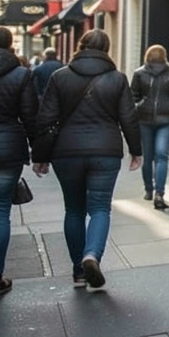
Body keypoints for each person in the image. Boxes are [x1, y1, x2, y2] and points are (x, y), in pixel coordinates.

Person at [32, 30, 142, 290]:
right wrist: (136, 150)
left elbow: (45, 119)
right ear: (107, 48)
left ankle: (79, 271)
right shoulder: (117, 79)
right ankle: (92, 255)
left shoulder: (60, 77)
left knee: (74, 210)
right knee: (100, 208)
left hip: (66, 152)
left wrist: (40, 156)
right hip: (106, 151)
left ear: (80, 46)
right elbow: (128, 117)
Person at [0, 26, 38, 296]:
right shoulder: (21, 75)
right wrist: (40, 151)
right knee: (0, 212)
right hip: (8, 148)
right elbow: (30, 116)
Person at [131, 44, 169, 209]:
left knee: (150, 156)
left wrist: (140, 106)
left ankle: (151, 191)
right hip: (158, 119)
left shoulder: (141, 73)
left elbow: (133, 97)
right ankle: (157, 192)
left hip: (153, 119)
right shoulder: (168, 73)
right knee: (161, 156)